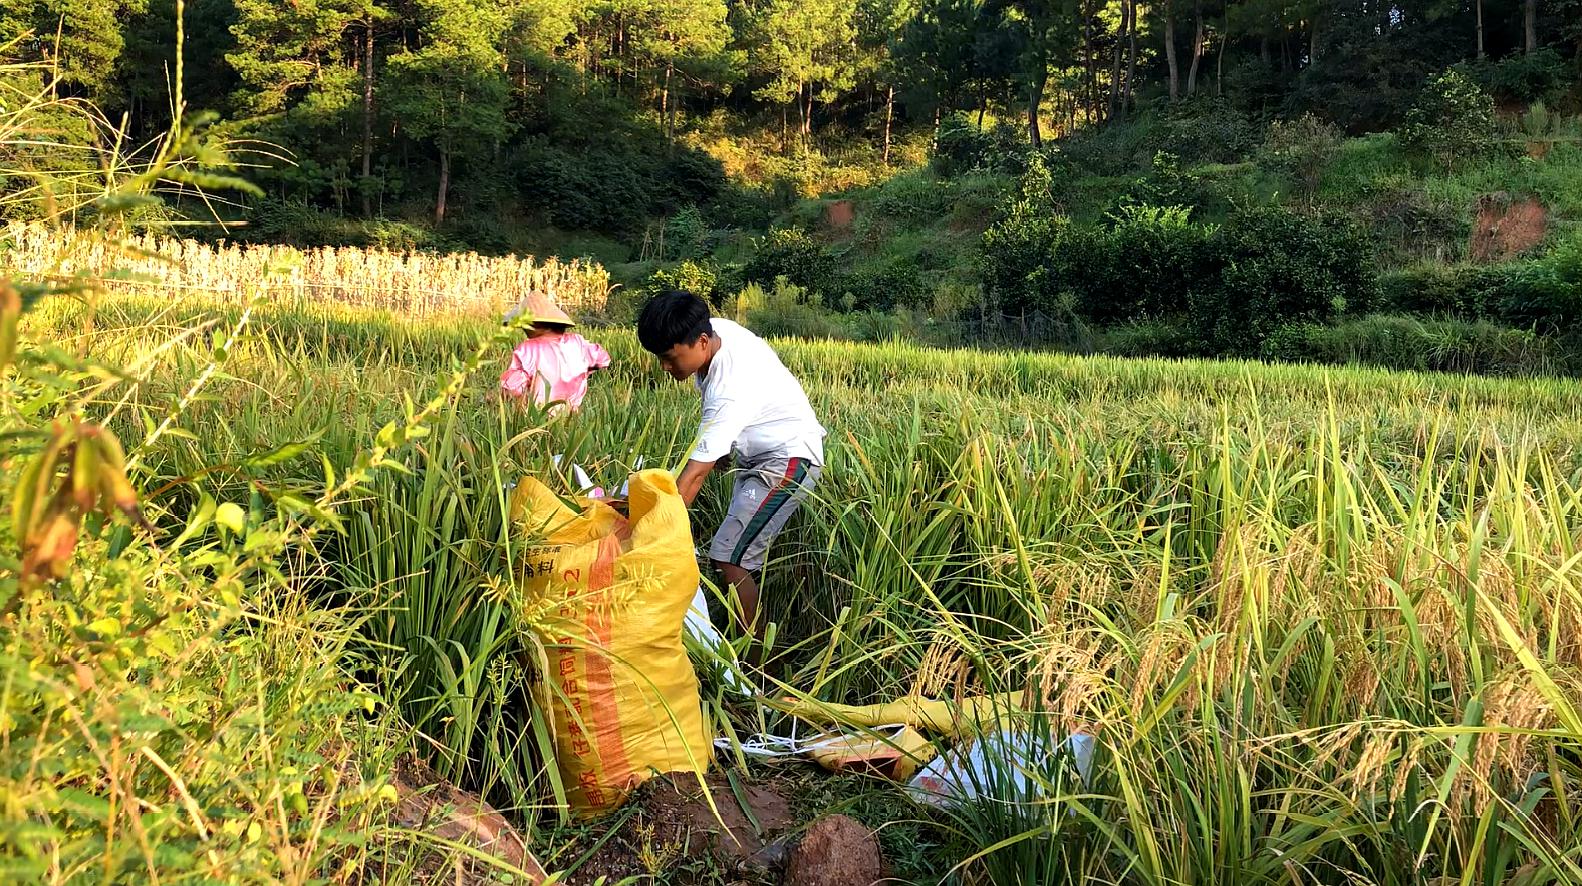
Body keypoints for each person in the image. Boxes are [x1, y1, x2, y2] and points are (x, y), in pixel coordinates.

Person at [636, 289, 825, 668]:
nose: (665, 368)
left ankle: (753, 664)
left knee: (730, 557)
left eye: (670, 359)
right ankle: (737, 636)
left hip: (787, 459)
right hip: (758, 454)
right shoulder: (715, 332)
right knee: (731, 553)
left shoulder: (729, 389)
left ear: (701, 342)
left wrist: (651, 535)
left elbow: (695, 475)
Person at [498, 292, 610, 415]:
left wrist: (501, 396)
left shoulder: (527, 350)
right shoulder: (578, 342)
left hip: (537, 415)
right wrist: (584, 370)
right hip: (571, 414)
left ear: (533, 325)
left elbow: (514, 387)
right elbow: (603, 359)